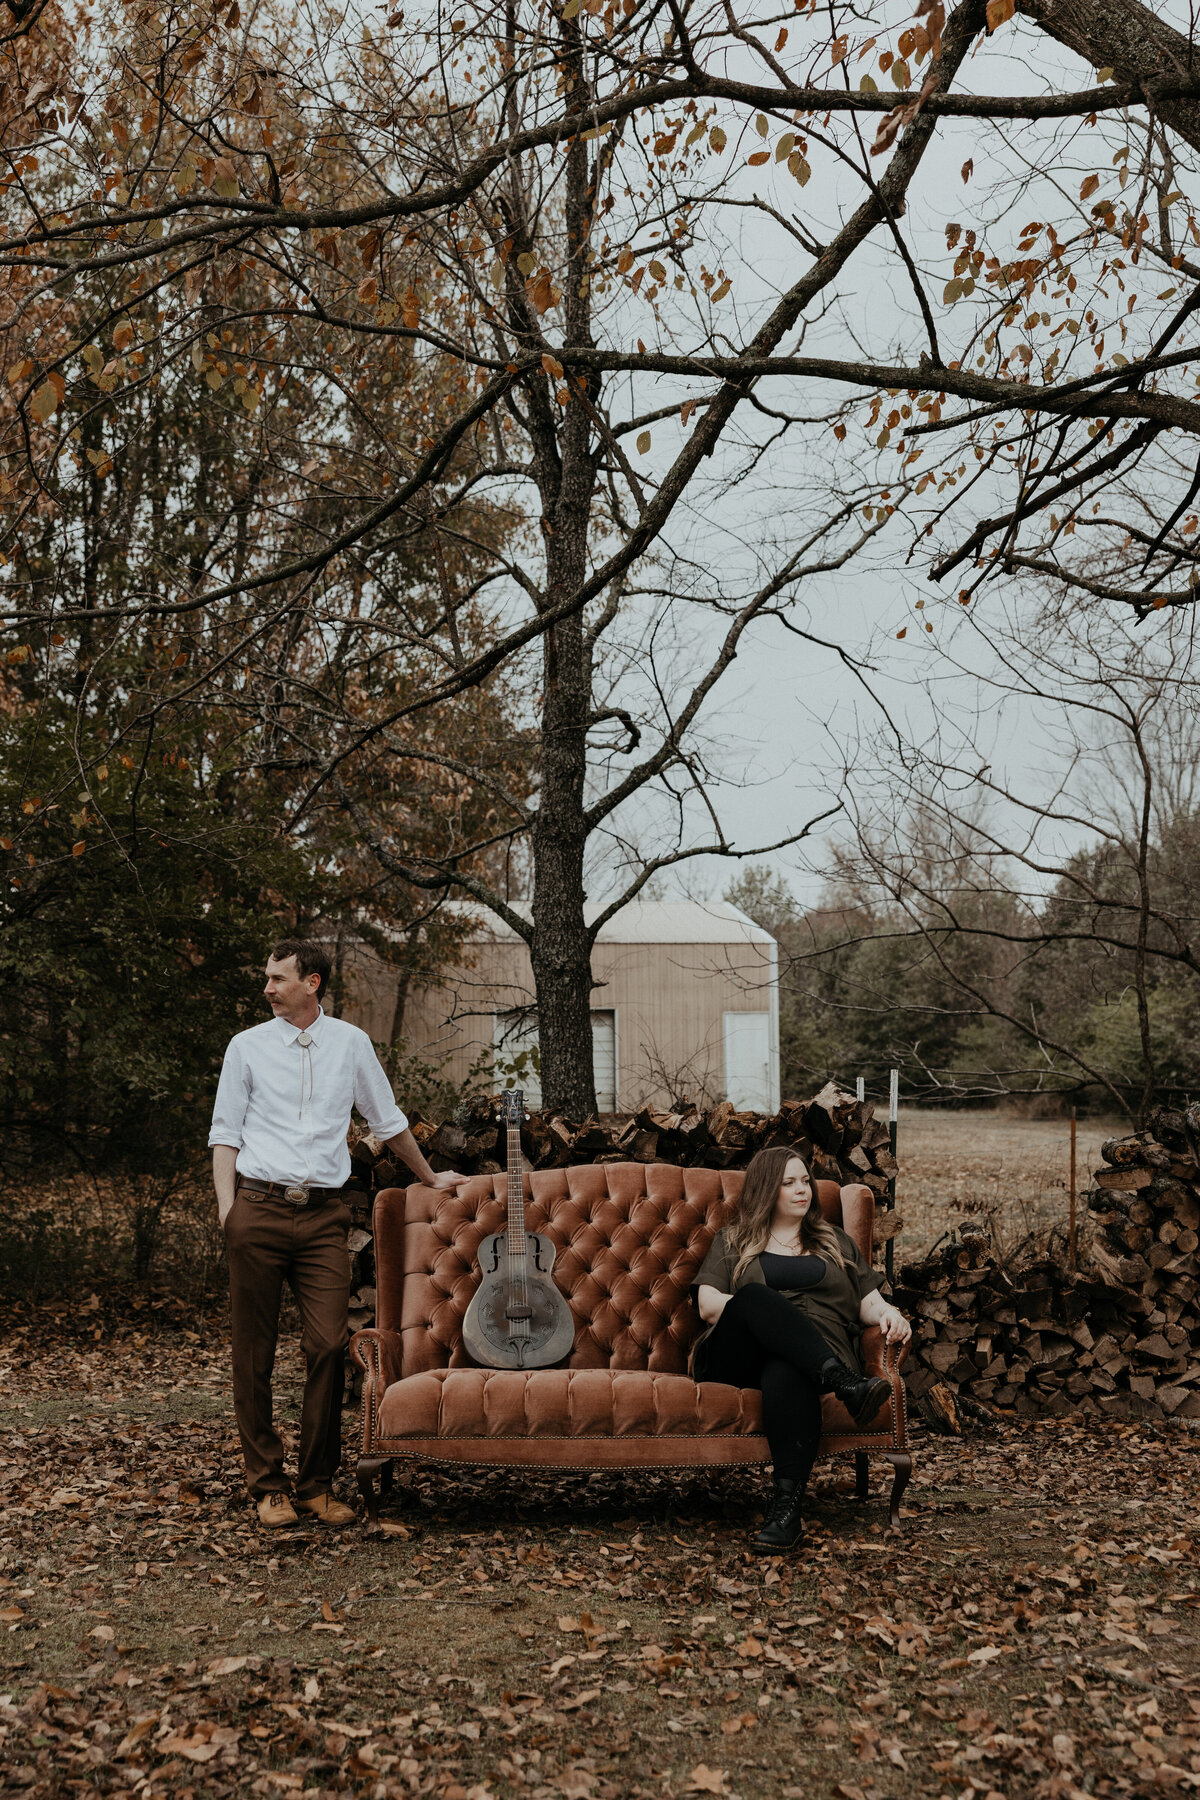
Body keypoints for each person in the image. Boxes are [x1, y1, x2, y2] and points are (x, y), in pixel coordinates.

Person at [210, 937, 462, 1529]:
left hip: (324, 1218)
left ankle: (316, 1485)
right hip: (257, 1209)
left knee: (327, 1345)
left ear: (312, 982)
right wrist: (230, 1213)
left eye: (278, 979)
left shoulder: (350, 1045)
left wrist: (429, 1175)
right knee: (254, 1352)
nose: (267, 988)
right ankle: (267, 1484)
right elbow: (225, 1133)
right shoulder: (245, 1047)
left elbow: (388, 1120)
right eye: (267, 978)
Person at [691, 1144, 911, 1554]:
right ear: (765, 1190)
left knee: (786, 1368)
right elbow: (707, 1305)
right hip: (738, 1355)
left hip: (811, 1356)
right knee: (755, 1297)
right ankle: (845, 1384)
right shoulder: (734, 1239)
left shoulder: (834, 1240)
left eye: (805, 1181)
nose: (802, 1190)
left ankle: (786, 1513)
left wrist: (891, 1313)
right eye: (788, 1183)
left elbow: (867, 1301)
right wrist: (768, 1314)